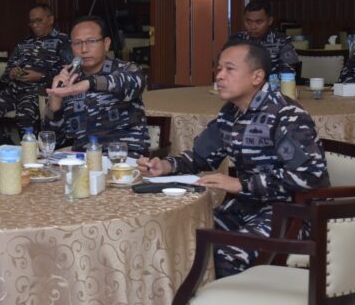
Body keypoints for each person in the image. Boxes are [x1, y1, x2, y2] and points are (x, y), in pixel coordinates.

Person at [137, 40, 328, 278]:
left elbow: (309, 175)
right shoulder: (231, 112)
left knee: (226, 255)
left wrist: (241, 184)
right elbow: (201, 156)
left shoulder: (286, 115)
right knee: (181, 238)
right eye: (219, 69)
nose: (219, 76)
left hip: (292, 214)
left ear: (257, 77)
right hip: (246, 207)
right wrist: (165, 166)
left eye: (230, 69)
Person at [43, 16, 147, 154]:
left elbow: (136, 82)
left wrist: (89, 83)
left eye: (91, 41)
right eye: (77, 43)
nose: (84, 49)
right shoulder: (68, 80)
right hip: (83, 159)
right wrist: (55, 102)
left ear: (106, 43)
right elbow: (51, 142)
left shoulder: (126, 70)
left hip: (124, 158)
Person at [0, 4, 70, 138]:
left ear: (51, 19)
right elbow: (7, 72)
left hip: (39, 92)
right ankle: (3, 143)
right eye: (31, 22)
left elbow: (68, 73)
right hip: (15, 89)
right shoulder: (25, 42)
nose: (34, 25)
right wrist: (12, 73)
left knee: (25, 115)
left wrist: (41, 76)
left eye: (39, 21)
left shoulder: (63, 41)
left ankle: (30, 149)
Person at [229, 0, 299, 75]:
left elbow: (289, 71)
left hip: (271, 82)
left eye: (258, 22)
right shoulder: (237, 40)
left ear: (270, 21)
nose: (252, 27)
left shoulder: (281, 41)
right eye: (248, 22)